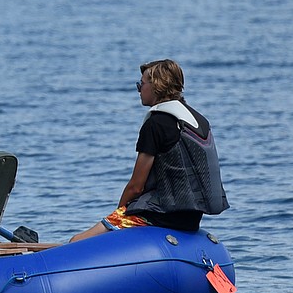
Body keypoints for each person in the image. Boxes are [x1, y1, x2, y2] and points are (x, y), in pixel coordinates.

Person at [71, 59, 228, 241]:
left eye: (141, 84)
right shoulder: (196, 121)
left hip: (160, 215)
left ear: (157, 86)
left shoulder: (156, 124)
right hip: (191, 219)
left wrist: (120, 213)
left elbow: (136, 186)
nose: (139, 89)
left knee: (76, 240)